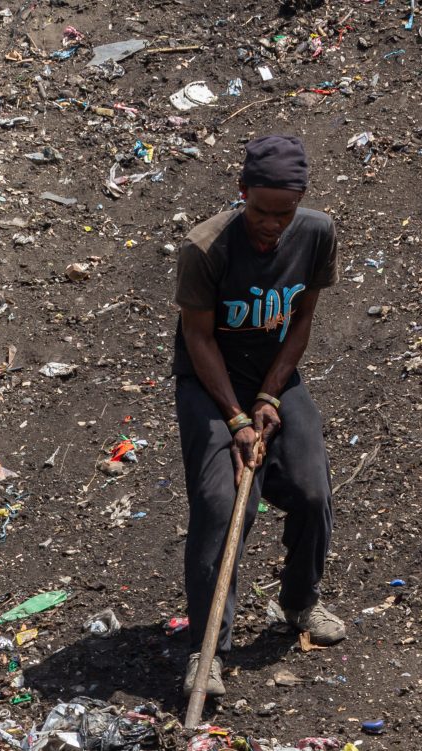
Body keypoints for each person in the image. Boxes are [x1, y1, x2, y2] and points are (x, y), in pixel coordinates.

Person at [172, 135, 344, 699]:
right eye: (260, 212)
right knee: (223, 508)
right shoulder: (205, 247)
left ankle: (299, 602)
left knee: (313, 492)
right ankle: (208, 651)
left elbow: (302, 321)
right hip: (211, 383)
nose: (272, 225)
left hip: (275, 376)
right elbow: (198, 339)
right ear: (241, 193)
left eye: (284, 214)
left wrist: (270, 399)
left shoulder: (316, 234)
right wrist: (238, 420)